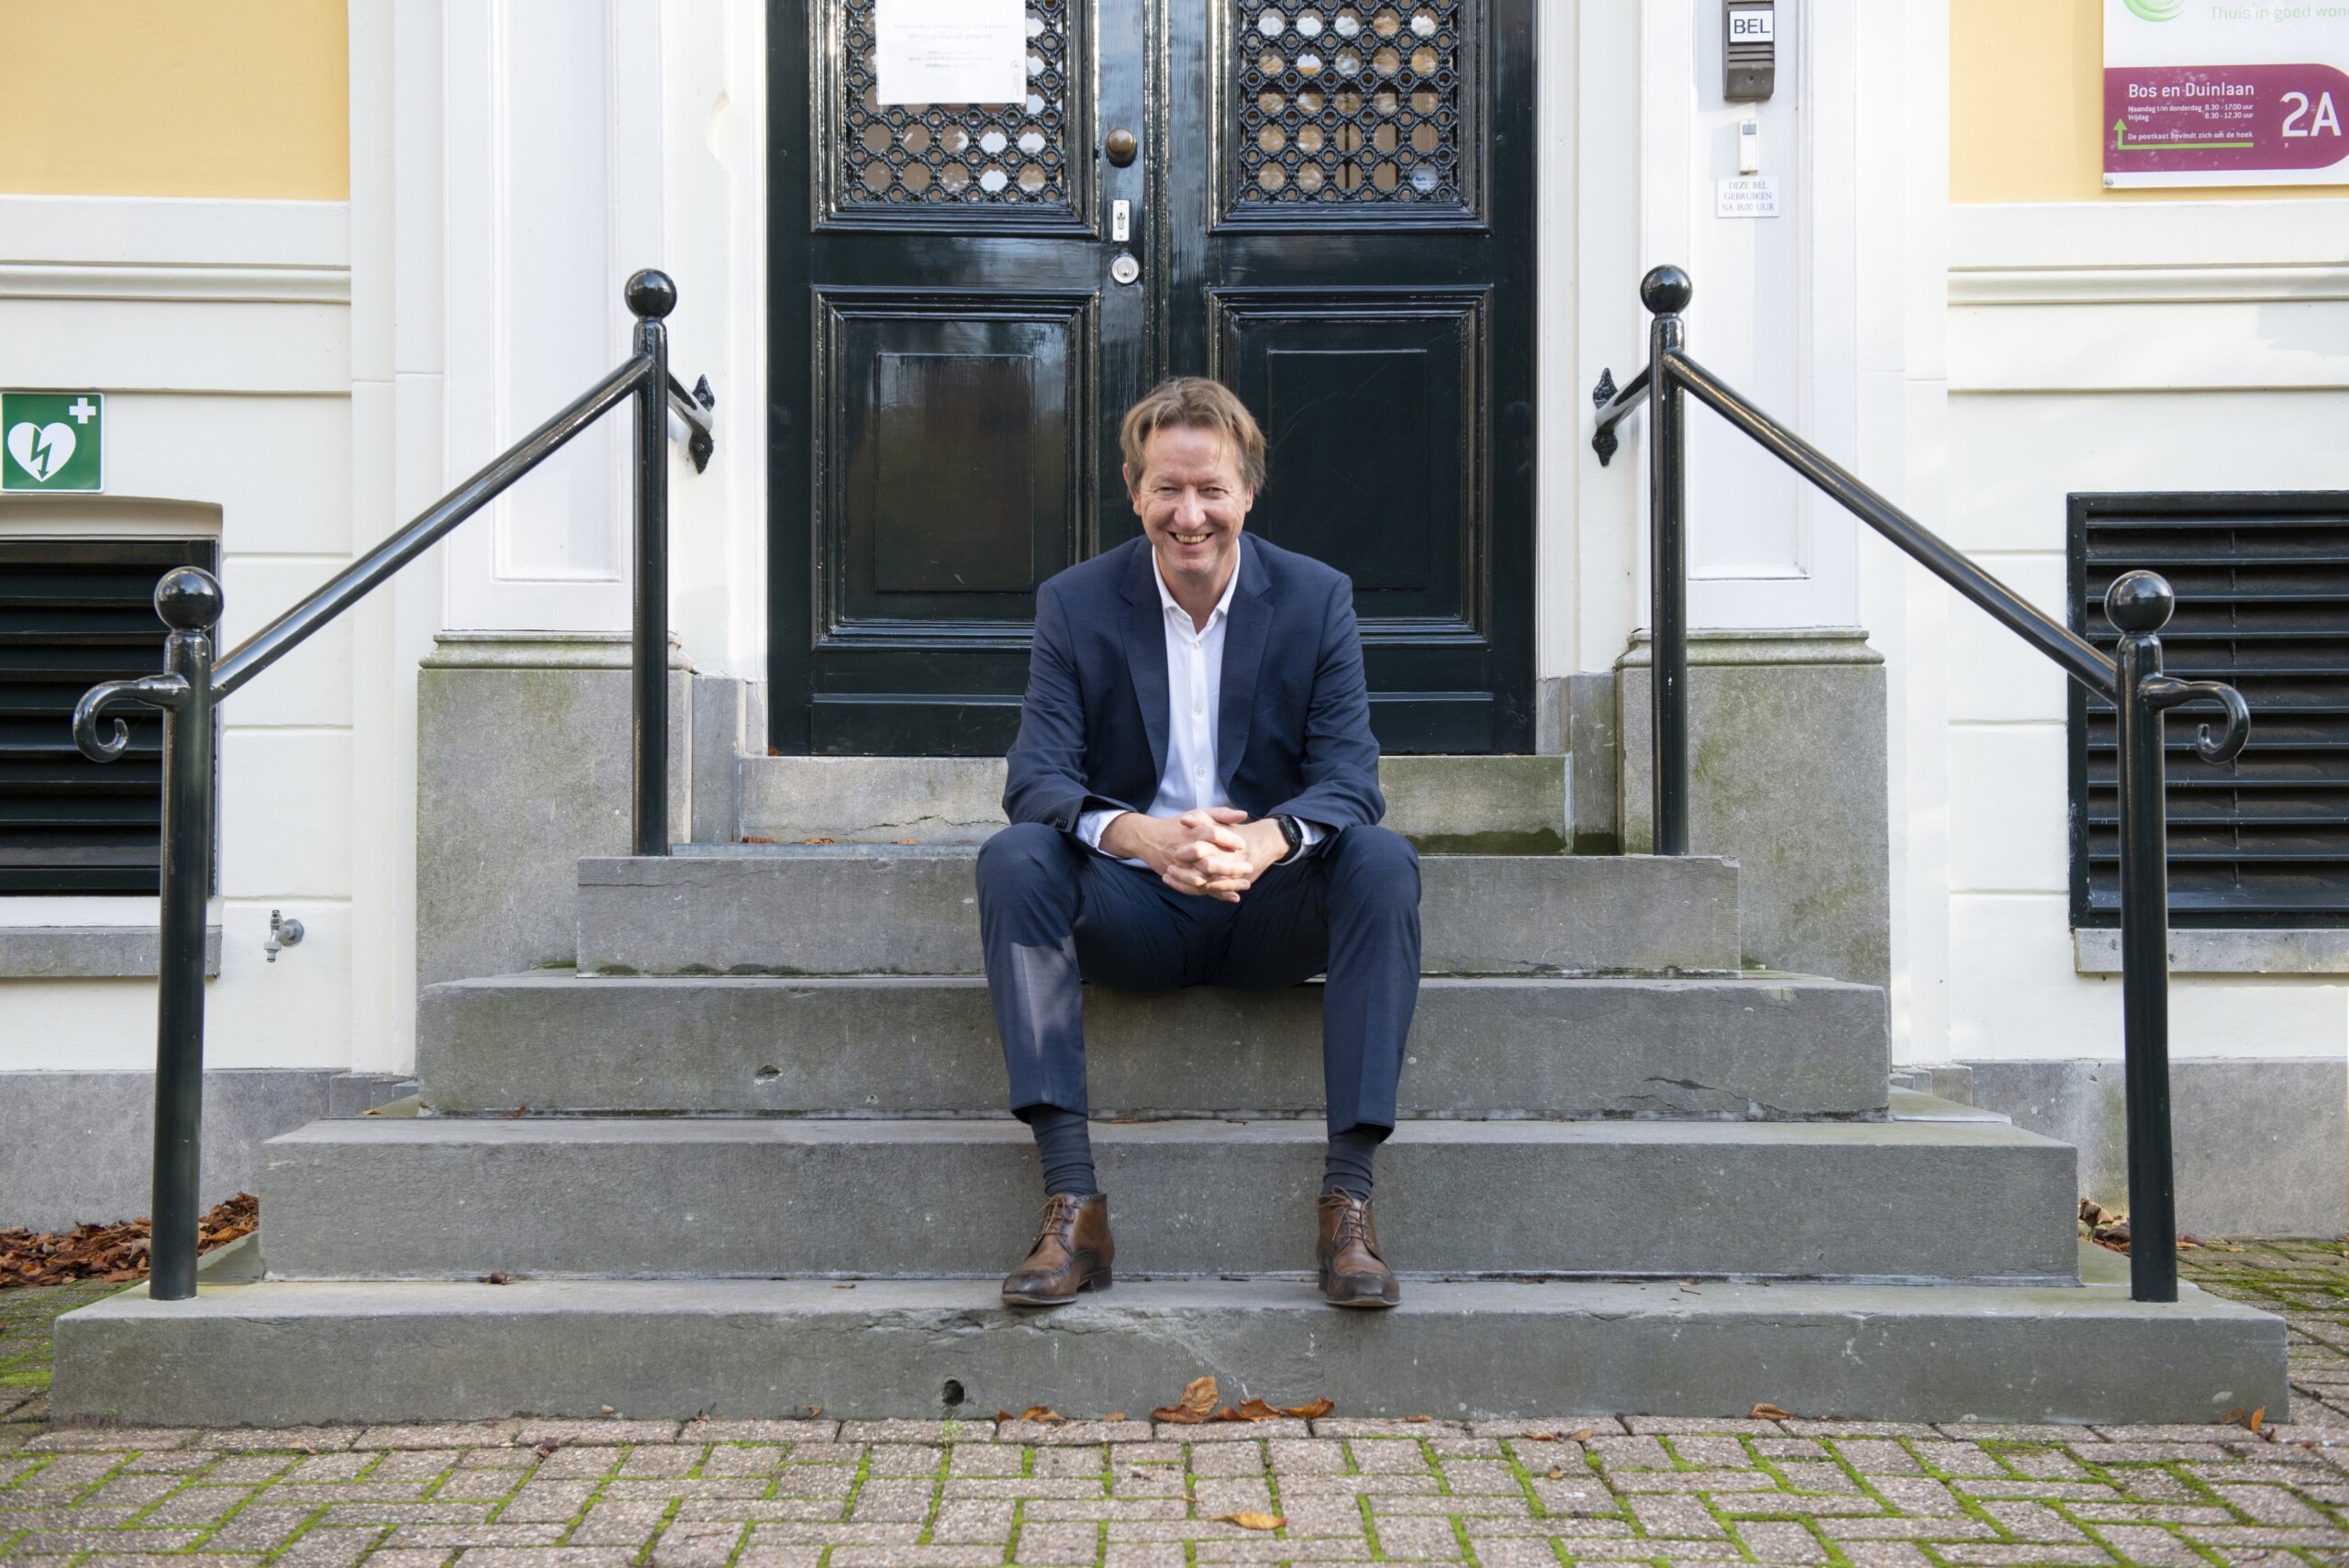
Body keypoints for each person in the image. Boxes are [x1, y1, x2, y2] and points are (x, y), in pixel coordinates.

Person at [975, 376, 1423, 1311]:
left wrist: (1266, 840)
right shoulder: (1075, 603)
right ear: (1134, 490)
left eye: (1211, 489)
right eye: (1167, 489)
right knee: (1014, 856)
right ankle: (1073, 1203)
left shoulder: (1315, 597)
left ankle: (1348, 1203)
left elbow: (1352, 778)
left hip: (1270, 908)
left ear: (1248, 490)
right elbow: (1036, 776)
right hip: (1135, 908)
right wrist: (1140, 836)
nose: (1189, 516)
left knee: (1383, 860)